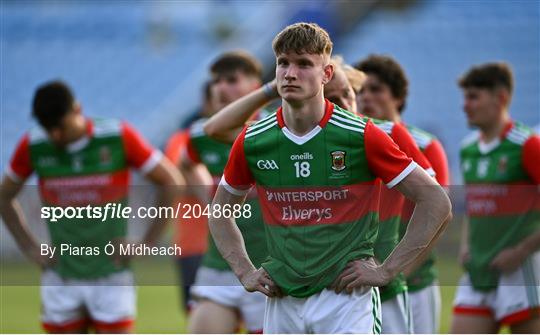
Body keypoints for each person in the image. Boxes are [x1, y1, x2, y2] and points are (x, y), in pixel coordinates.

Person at [208, 22, 452, 334]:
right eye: (283, 63)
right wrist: (245, 272)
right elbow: (219, 213)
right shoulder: (253, 139)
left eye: (304, 64)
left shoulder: (362, 135)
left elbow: (436, 201)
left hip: (346, 301)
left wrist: (388, 270)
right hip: (283, 299)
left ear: (326, 74)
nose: (290, 73)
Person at [0, 81, 183, 333]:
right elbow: (3, 196)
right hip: (60, 273)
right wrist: (28, 246)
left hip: (111, 271)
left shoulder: (117, 137)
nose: (54, 135)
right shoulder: (33, 145)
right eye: (47, 127)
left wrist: (148, 242)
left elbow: (172, 182)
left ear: (77, 110)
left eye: (59, 126)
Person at [356, 54, 450, 333]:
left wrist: (399, 272)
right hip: (361, 277)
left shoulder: (425, 145)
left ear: (397, 97)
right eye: (360, 90)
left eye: (375, 89)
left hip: (413, 282)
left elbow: (439, 212)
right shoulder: (352, 142)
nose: (366, 98)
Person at [451, 62, 540, 333]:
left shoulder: (526, 145)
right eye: (465, 97)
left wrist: (522, 250)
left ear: (501, 97)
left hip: (522, 269)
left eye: (474, 97)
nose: (465, 105)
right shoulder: (468, 149)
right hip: (478, 269)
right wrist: (466, 245)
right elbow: (474, 206)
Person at [183, 51, 268, 334]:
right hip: (220, 266)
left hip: (270, 267)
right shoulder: (201, 134)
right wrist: (208, 196)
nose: (220, 87)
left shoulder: (278, 129)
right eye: (217, 81)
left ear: (255, 88)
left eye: (232, 80)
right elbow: (185, 163)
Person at [164, 81, 215, 313]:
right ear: (205, 105)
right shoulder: (184, 140)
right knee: (200, 317)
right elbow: (176, 180)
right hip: (196, 244)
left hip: (244, 245)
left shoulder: (250, 136)